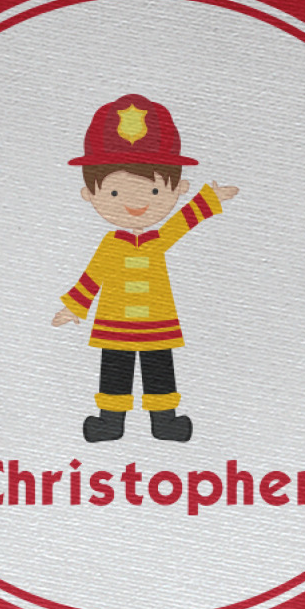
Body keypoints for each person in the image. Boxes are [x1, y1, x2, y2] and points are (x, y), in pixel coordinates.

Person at [53, 94, 238, 443]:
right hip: (114, 326)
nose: (135, 203)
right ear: (89, 194)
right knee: (115, 376)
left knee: (159, 374)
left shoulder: (157, 240)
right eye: (114, 193)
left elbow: (182, 223)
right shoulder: (110, 245)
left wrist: (210, 199)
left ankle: (164, 423)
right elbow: (92, 277)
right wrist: (73, 307)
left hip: (157, 324)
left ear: (178, 189)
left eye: (154, 190)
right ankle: (110, 423)